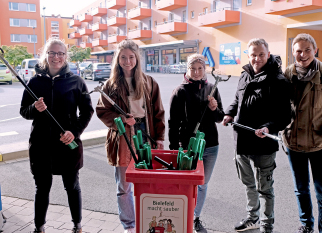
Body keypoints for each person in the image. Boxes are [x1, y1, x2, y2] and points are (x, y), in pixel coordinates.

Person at [20, 38, 94, 233]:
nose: (56, 57)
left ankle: (77, 225)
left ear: (65, 56)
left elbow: (87, 112)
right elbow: (24, 111)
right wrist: (35, 109)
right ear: (46, 55)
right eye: (52, 53)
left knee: (72, 186)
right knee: (42, 189)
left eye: (60, 53)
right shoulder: (34, 82)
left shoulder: (76, 81)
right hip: (41, 145)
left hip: (67, 144)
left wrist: (75, 132)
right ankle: (39, 227)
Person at [96, 39, 165, 233]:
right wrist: (121, 119)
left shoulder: (149, 82)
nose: (127, 61)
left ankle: (148, 220)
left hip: (146, 134)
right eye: (123, 57)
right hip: (123, 136)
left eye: (131, 57)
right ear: (118, 59)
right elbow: (103, 111)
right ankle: (129, 225)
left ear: (137, 58)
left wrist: (159, 137)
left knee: (148, 181)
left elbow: (159, 112)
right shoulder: (111, 85)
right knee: (124, 185)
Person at [222, 38, 291, 233]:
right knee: (248, 185)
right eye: (253, 55)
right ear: (248, 55)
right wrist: (229, 112)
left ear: (268, 54)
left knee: (265, 189)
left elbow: (284, 115)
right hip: (242, 141)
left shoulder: (278, 80)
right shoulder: (244, 75)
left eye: (261, 54)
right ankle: (252, 218)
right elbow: (237, 99)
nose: (257, 58)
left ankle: (267, 226)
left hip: (264, 143)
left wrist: (269, 128)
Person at [282, 33, 322, 233]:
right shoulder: (287, 75)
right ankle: (306, 225)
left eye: (307, 50)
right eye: (298, 51)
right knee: (301, 190)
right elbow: (279, 107)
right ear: (293, 53)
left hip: (321, 143)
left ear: (315, 50)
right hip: (294, 144)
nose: (303, 55)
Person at [168, 54, 225, 233]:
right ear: (188, 69)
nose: (197, 72)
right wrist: (174, 147)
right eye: (193, 68)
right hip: (188, 145)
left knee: (202, 183)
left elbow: (220, 118)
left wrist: (215, 109)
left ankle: (195, 217)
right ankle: (182, 215)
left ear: (205, 69)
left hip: (210, 145)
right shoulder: (180, 91)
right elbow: (173, 123)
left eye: (200, 68)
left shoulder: (212, 88)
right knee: (187, 183)